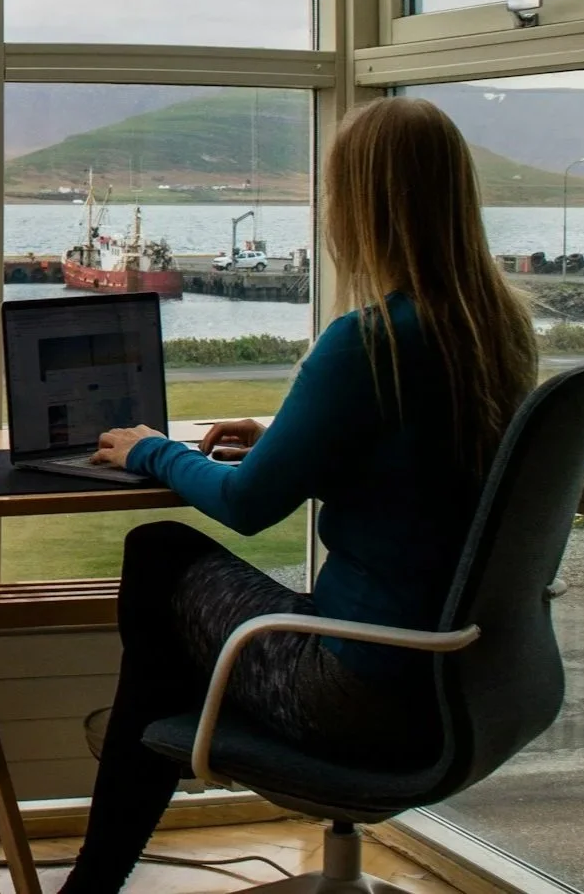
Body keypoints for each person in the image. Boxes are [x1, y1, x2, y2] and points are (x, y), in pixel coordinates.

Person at [61, 96, 539, 894]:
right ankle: (147, 756)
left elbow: (248, 506)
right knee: (165, 647)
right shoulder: (499, 333)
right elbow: (416, 465)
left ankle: (115, 833)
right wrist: (291, 439)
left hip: (358, 692)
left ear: (359, 207)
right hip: (472, 681)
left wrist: (152, 452)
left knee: (159, 553)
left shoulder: (370, 342)